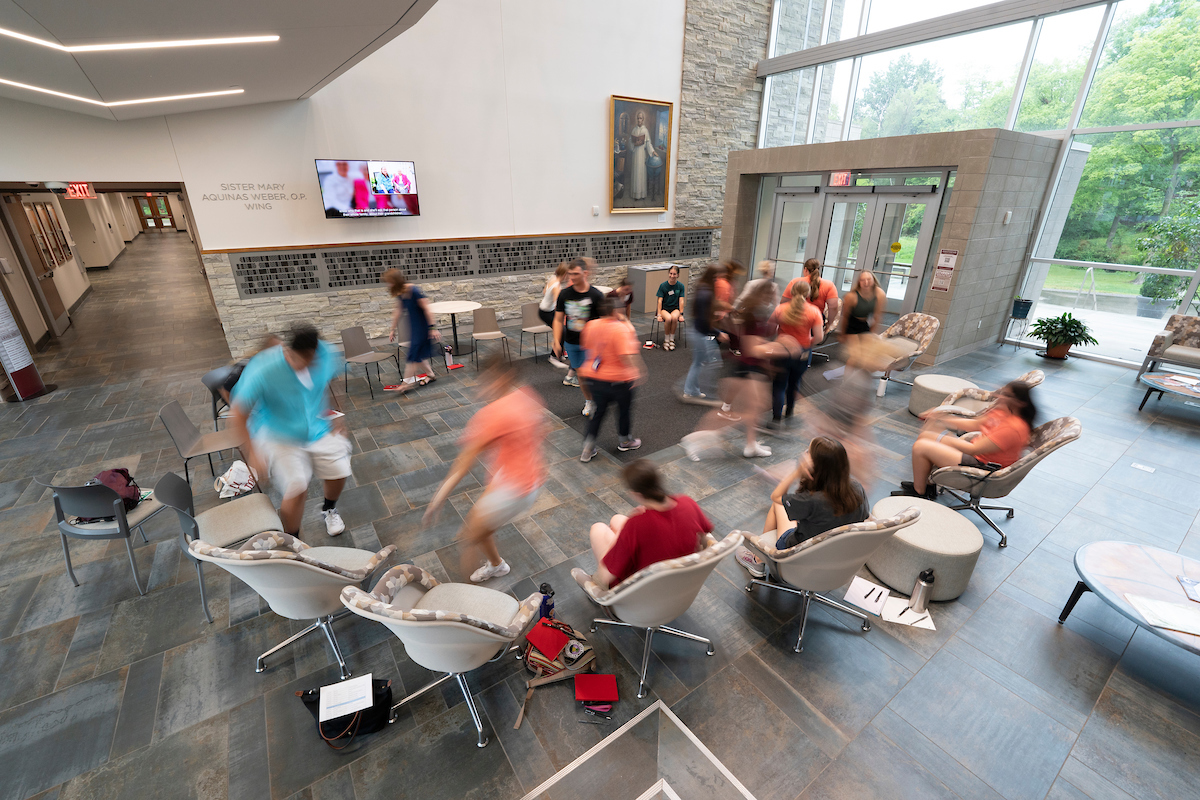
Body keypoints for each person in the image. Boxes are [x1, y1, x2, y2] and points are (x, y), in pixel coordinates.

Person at [424, 356, 548, 582]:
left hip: (514, 488)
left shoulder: (492, 415)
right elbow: (543, 431)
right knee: (481, 529)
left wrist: (438, 498)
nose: (482, 388)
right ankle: (497, 565)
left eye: (487, 381)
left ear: (504, 378)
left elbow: (463, 463)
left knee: (468, 537)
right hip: (528, 480)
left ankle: (465, 603)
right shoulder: (527, 396)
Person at [230, 323, 350, 538]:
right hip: (278, 432)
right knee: (297, 487)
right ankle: (292, 541)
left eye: (310, 361)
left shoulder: (327, 353)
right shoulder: (264, 367)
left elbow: (331, 380)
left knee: (339, 469)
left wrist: (337, 415)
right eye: (298, 361)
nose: (305, 366)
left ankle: (329, 509)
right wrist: (253, 453)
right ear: (288, 351)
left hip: (316, 425)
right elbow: (239, 412)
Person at [736, 437, 869, 576]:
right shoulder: (857, 488)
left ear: (815, 466)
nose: (804, 454)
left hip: (799, 553)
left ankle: (757, 560)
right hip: (839, 556)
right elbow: (864, 516)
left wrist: (797, 472)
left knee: (777, 505)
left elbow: (776, 497)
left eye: (807, 451)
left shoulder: (811, 500)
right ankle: (758, 559)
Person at [681, 280, 777, 460]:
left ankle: (751, 445)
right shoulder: (754, 314)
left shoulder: (756, 312)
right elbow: (751, 347)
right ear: (764, 295)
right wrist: (778, 348)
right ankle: (693, 439)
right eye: (772, 294)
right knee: (737, 413)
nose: (775, 297)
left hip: (751, 368)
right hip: (745, 368)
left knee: (755, 409)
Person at [894, 381, 1037, 500]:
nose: (998, 395)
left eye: (1006, 395)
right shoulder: (1002, 411)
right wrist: (939, 417)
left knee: (921, 447)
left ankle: (920, 493)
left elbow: (973, 449)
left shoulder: (1014, 428)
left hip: (984, 467)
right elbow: (975, 424)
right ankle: (927, 486)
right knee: (926, 437)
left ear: (1020, 403)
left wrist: (941, 438)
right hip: (976, 454)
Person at [588, 459, 712, 589]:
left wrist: (624, 532)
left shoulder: (636, 525)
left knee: (598, 529)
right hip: (681, 577)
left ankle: (601, 589)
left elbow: (606, 576)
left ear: (636, 494)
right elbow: (705, 531)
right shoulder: (687, 502)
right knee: (617, 519)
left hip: (640, 588)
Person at [579, 297, 644, 461]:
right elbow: (626, 356)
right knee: (623, 411)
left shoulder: (590, 325)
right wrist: (638, 371)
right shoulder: (620, 328)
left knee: (597, 412)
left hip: (594, 378)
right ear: (616, 311)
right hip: (619, 380)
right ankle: (625, 441)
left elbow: (586, 347)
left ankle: (588, 448)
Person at [553, 257, 606, 415]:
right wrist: (556, 341)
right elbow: (557, 318)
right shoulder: (564, 294)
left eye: (575, 274)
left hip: (592, 344)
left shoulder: (596, 295)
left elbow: (605, 322)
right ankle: (589, 401)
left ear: (585, 273)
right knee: (582, 375)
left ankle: (599, 397)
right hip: (572, 342)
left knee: (593, 375)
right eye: (570, 274)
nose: (572, 277)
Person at [770, 282, 824, 424]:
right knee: (795, 383)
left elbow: (769, 330)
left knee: (779, 384)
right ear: (808, 294)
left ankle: (776, 418)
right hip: (803, 353)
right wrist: (808, 343)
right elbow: (819, 337)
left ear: (791, 293)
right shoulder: (814, 311)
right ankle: (789, 412)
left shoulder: (780, 309)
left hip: (782, 351)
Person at [384, 269, 440, 391]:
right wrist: (392, 329)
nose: (389, 285)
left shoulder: (413, 290)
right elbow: (398, 310)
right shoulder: (401, 293)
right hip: (414, 326)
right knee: (417, 353)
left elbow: (427, 308)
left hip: (423, 327)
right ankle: (431, 375)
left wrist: (433, 328)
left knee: (413, 354)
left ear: (396, 281)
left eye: (390, 282)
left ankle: (405, 384)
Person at [682, 264, 728, 403]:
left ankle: (692, 390)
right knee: (710, 362)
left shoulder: (702, 288)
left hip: (698, 331)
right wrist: (718, 333)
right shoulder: (706, 293)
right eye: (716, 278)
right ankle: (694, 391)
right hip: (701, 333)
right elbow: (704, 319)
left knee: (699, 362)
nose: (718, 281)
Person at [784, 259, 840, 337]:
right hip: (815, 321)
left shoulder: (795, 282)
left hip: (794, 318)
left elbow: (784, 302)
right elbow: (833, 307)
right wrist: (829, 324)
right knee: (808, 342)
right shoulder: (829, 285)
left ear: (805, 269)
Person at [839, 270, 887, 336]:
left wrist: (872, 333)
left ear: (873, 280)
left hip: (864, 324)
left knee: (868, 344)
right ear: (859, 282)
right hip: (851, 324)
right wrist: (843, 334)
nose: (866, 283)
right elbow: (845, 317)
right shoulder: (851, 296)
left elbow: (877, 316)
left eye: (869, 279)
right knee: (855, 345)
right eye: (862, 280)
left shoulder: (880, 294)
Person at [627, 110, 658, 202]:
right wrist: (633, 143)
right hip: (635, 154)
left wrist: (653, 151)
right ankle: (635, 194)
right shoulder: (634, 129)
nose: (639, 120)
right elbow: (630, 141)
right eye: (638, 118)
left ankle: (642, 194)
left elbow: (648, 143)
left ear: (643, 119)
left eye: (641, 118)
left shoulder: (645, 130)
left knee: (641, 173)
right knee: (636, 173)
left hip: (641, 154)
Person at [655, 266, 687, 350]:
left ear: (678, 275)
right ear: (668, 274)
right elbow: (659, 301)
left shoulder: (680, 286)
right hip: (664, 309)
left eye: (674, 274)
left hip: (675, 309)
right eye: (671, 273)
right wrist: (658, 314)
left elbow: (681, 301)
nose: (672, 276)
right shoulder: (663, 286)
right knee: (668, 318)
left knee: (674, 317)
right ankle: (666, 339)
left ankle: (671, 339)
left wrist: (681, 314)